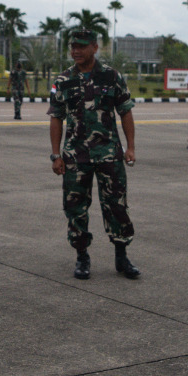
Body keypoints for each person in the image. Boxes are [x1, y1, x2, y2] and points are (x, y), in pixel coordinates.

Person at [48, 29, 140, 281]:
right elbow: (56, 117)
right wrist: (55, 155)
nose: (75, 51)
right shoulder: (63, 79)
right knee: (76, 208)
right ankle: (82, 257)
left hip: (109, 154)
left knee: (117, 206)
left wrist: (130, 147)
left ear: (94, 47)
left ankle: (121, 256)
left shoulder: (112, 77)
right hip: (75, 157)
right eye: (72, 47)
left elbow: (125, 111)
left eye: (81, 46)